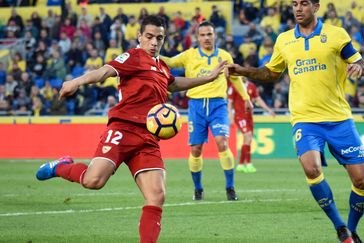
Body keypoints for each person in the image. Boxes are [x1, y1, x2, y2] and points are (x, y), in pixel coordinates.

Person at [35, 15, 226, 243]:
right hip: (123, 128)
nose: (154, 42)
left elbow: (173, 84)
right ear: (139, 36)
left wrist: (209, 78)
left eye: (159, 38)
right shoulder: (134, 57)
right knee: (93, 181)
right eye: (149, 37)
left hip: (148, 137)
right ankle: (61, 166)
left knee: (157, 196)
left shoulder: (162, 67)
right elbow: (105, 71)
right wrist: (76, 82)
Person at [227, 1, 364, 242]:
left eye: (304, 3)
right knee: (311, 167)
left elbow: (362, 64)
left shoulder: (336, 35)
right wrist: (242, 70)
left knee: (362, 180)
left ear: (316, 6)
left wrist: (358, 67)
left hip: (339, 119)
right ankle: (340, 228)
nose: (298, 8)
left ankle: (352, 229)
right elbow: (271, 73)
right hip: (305, 119)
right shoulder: (284, 40)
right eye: (294, 4)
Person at [162, 21, 252, 201]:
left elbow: (235, 79)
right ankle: (198, 188)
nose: (206, 38)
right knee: (196, 149)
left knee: (222, 143)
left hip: (218, 105)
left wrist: (246, 98)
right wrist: (152, 55)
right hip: (196, 106)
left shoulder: (225, 56)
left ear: (215, 35)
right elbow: (171, 62)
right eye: (202, 35)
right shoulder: (190, 55)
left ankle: (230, 187)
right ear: (197, 37)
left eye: (209, 34)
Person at [227, 77, 275, 173]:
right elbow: (230, 103)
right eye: (240, 75)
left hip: (249, 117)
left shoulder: (251, 86)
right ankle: (248, 164)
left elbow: (258, 99)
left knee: (248, 139)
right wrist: (230, 116)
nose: (242, 77)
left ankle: (241, 165)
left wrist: (268, 109)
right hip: (239, 116)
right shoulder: (234, 86)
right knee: (247, 136)